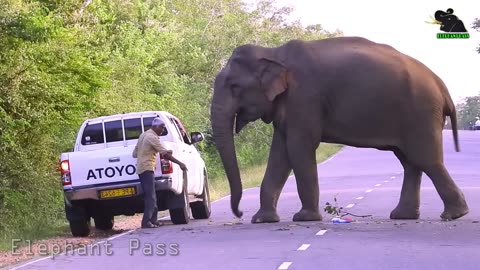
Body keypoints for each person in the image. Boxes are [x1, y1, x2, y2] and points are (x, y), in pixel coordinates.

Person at [133, 117, 187, 228]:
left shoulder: (143, 135)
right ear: (156, 126)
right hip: (146, 168)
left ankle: (154, 220)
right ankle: (146, 222)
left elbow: (134, 153)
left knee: (152, 195)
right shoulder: (152, 137)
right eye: (161, 128)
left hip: (143, 168)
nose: (162, 131)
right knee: (150, 196)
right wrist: (180, 163)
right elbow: (165, 155)